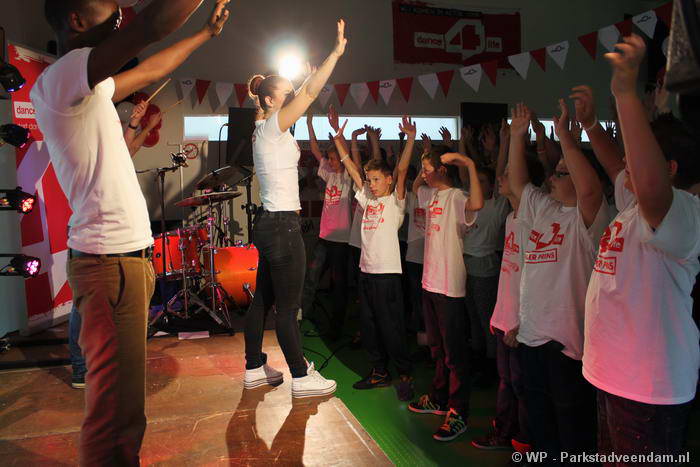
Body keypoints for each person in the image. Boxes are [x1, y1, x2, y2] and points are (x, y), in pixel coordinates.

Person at [33, 0, 230, 463]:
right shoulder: (65, 76)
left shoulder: (90, 85)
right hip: (107, 266)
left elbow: (150, 68)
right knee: (111, 412)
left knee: (125, 411)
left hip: (124, 262)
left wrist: (205, 35)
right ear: (77, 20)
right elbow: (151, 26)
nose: (119, 14)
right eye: (110, 8)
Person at [581, 34, 700, 460]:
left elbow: (650, 186)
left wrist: (625, 94)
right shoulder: (633, 205)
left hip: (647, 388)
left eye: (639, 157)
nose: (626, 165)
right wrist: (590, 126)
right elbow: (616, 163)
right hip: (614, 376)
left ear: (668, 168)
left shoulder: (684, 213)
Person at [243, 19, 347, 398]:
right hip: (282, 227)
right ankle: (301, 377)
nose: (293, 97)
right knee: (288, 308)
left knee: (263, 300)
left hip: (270, 224)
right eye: (286, 94)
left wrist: (303, 83)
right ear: (270, 101)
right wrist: (335, 54)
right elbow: (311, 93)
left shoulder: (266, 128)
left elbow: (306, 93)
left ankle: (254, 367)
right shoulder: (272, 128)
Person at [507, 101, 609, 462]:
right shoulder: (543, 208)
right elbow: (517, 184)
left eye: (563, 173)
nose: (553, 176)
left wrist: (565, 135)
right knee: (540, 423)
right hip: (531, 336)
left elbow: (591, 191)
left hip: (568, 344)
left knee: (573, 428)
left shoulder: (589, 219)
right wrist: (517, 136)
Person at [67, 102, 161, 390]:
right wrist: (141, 126)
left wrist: (139, 124)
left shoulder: (109, 151)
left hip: (122, 243)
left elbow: (126, 148)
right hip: (99, 243)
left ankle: (99, 368)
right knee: (86, 310)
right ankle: (82, 369)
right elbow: (127, 149)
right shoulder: (89, 150)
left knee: (102, 311)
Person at [332, 116, 416, 400]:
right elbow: (352, 169)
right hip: (366, 272)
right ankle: (379, 372)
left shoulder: (395, 202)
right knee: (369, 326)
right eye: (370, 180)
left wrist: (410, 138)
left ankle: (404, 374)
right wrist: (339, 140)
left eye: (377, 179)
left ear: (388, 180)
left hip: (387, 275)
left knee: (391, 327)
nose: (372, 184)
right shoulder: (368, 198)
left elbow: (402, 170)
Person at [407, 146, 484, 442]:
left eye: (428, 169)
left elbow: (477, 203)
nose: (424, 174)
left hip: (450, 286)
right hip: (430, 281)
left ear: (442, 171)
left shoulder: (456, 197)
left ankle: (458, 411)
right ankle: (439, 398)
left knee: (455, 353)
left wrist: (468, 163)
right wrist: (424, 164)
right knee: (437, 348)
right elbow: (415, 187)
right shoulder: (432, 194)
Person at [459, 122, 511, 384]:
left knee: (485, 318)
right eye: (475, 181)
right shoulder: (467, 201)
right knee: (472, 317)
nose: (476, 184)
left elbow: (499, 171)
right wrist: (463, 142)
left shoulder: (496, 205)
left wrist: (503, 143)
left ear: (492, 186)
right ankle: (479, 358)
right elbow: (464, 175)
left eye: (482, 181)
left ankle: (492, 365)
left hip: (484, 267)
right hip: (465, 266)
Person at [300, 111, 353, 341]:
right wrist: (310, 124)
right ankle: (303, 315)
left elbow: (347, 155)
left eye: (333, 159)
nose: (330, 162)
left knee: (339, 285)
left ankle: (336, 327)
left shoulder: (348, 177)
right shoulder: (329, 174)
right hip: (325, 237)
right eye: (329, 159)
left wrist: (338, 131)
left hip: (342, 241)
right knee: (312, 275)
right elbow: (314, 150)